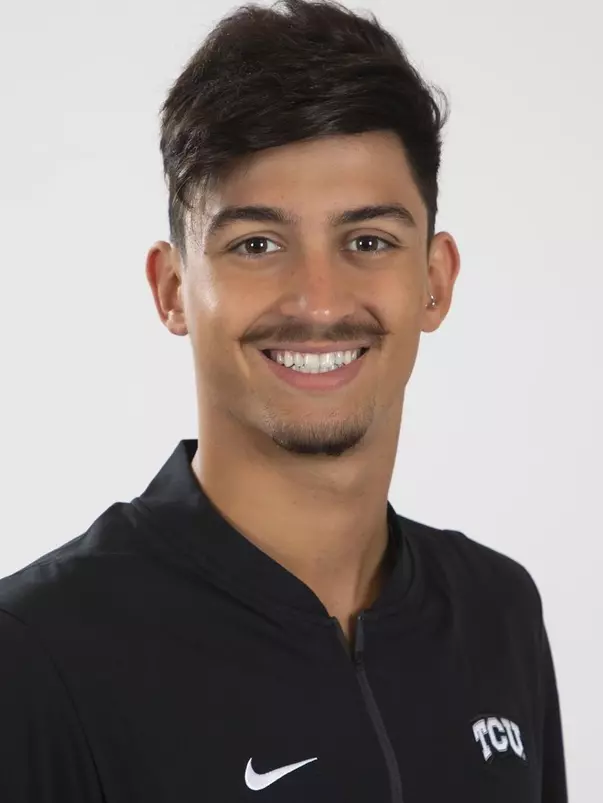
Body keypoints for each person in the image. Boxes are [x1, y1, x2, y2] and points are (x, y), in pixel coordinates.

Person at [0, 0, 567, 800]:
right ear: (172, 289)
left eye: (367, 241)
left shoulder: (497, 613)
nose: (318, 300)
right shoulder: (36, 655)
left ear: (434, 281)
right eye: (257, 244)